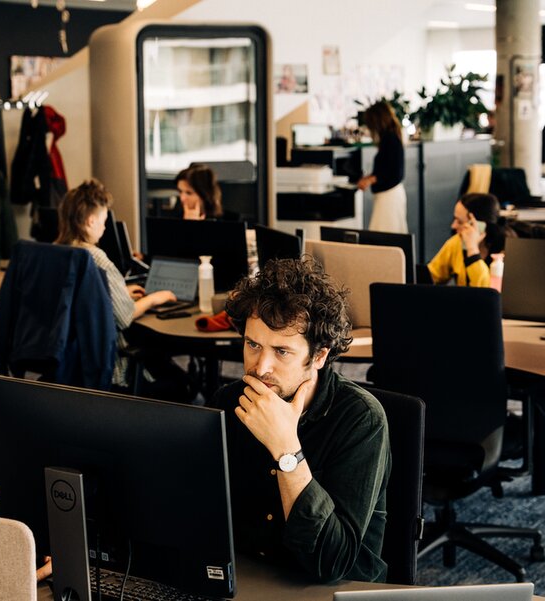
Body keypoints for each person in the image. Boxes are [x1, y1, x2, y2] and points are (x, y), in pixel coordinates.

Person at [211, 258, 391, 583]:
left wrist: (286, 450)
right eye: (253, 345)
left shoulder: (361, 420)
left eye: (281, 351)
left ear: (319, 356)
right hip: (250, 579)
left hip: (329, 589)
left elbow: (331, 563)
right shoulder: (229, 401)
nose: (261, 367)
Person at [55, 179, 177, 388]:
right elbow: (125, 316)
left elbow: (79, 298)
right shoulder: (95, 258)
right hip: (110, 366)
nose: (104, 226)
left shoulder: (57, 252)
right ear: (91, 221)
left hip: (67, 361)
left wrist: (120, 292)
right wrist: (154, 299)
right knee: (179, 385)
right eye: (103, 220)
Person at [426, 192, 508, 287]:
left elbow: (487, 291)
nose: (453, 226)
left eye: (460, 222)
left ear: (481, 226)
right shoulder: (457, 242)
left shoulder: (506, 250)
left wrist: (472, 250)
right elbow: (431, 276)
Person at [357, 101, 408, 233]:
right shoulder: (391, 137)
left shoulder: (390, 139)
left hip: (389, 197)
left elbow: (393, 172)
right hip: (390, 195)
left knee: (384, 238)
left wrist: (370, 179)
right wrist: (370, 177)